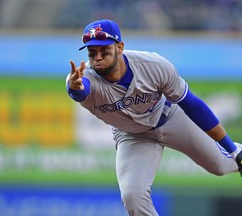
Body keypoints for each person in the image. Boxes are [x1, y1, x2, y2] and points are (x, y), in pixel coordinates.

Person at [66, 19, 242, 216]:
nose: (97, 57)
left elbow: (193, 106)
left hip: (171, 118)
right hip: (132, 135)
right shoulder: (83, 78)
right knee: (133, 195)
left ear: (120, 47)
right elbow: (79, 91)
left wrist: (233, 150)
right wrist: (75, 88)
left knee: (219, 165)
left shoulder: (152, 65)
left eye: (104, 50)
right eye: (92, 52)